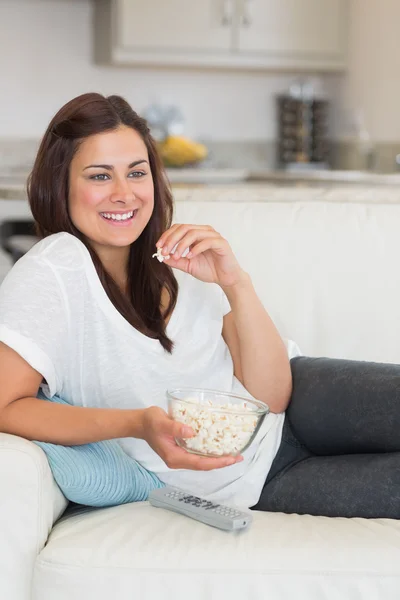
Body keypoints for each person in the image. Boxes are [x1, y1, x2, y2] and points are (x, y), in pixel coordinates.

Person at [1, 93, 399, 519]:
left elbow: (273, 396)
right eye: (99, 177)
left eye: (137, 172)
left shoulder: (175, 255)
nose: (124, 194)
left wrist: (234, 282)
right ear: (60, 184)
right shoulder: (54, 267)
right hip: (249, 482)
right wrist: (136, 423)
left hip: (305, 402)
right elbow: (7, 405)